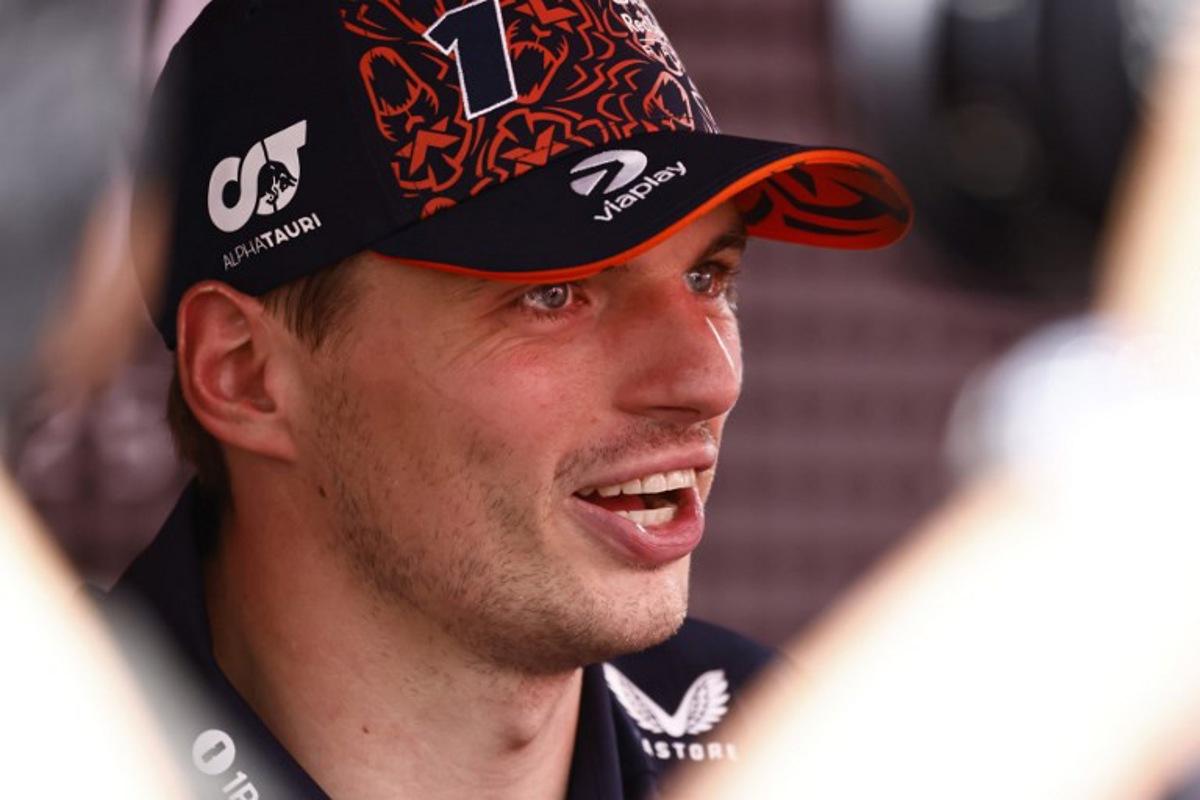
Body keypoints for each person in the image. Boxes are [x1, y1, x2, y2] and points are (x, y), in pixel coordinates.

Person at [99, 0, 912, 797]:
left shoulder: (798, 752)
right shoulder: (43, 744)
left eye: (709, 277)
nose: (708, 381)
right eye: (553, 293)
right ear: (245, 373)